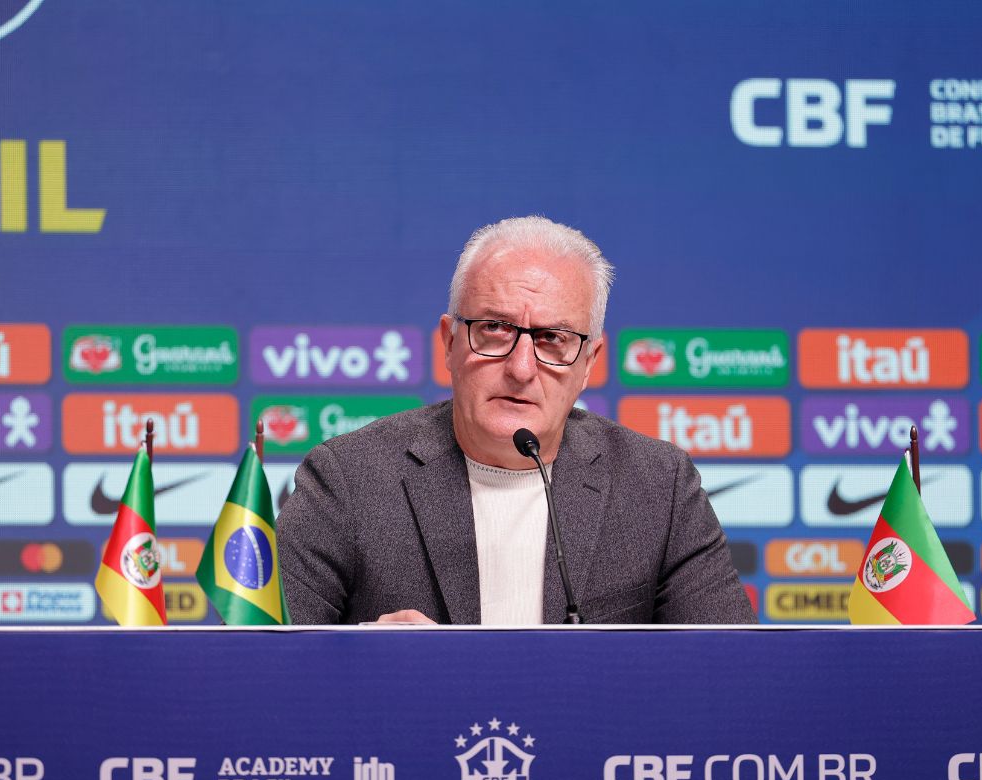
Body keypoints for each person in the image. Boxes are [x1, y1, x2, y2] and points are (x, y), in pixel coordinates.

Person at [276, 215, 755, 625]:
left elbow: (733, 674)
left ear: (590, 361)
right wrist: (355, 661)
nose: (522, 368)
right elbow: (251, 666)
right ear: (449, 342)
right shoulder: (348, 479)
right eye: (495, 328)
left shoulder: (657, 487)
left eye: (553, 338)